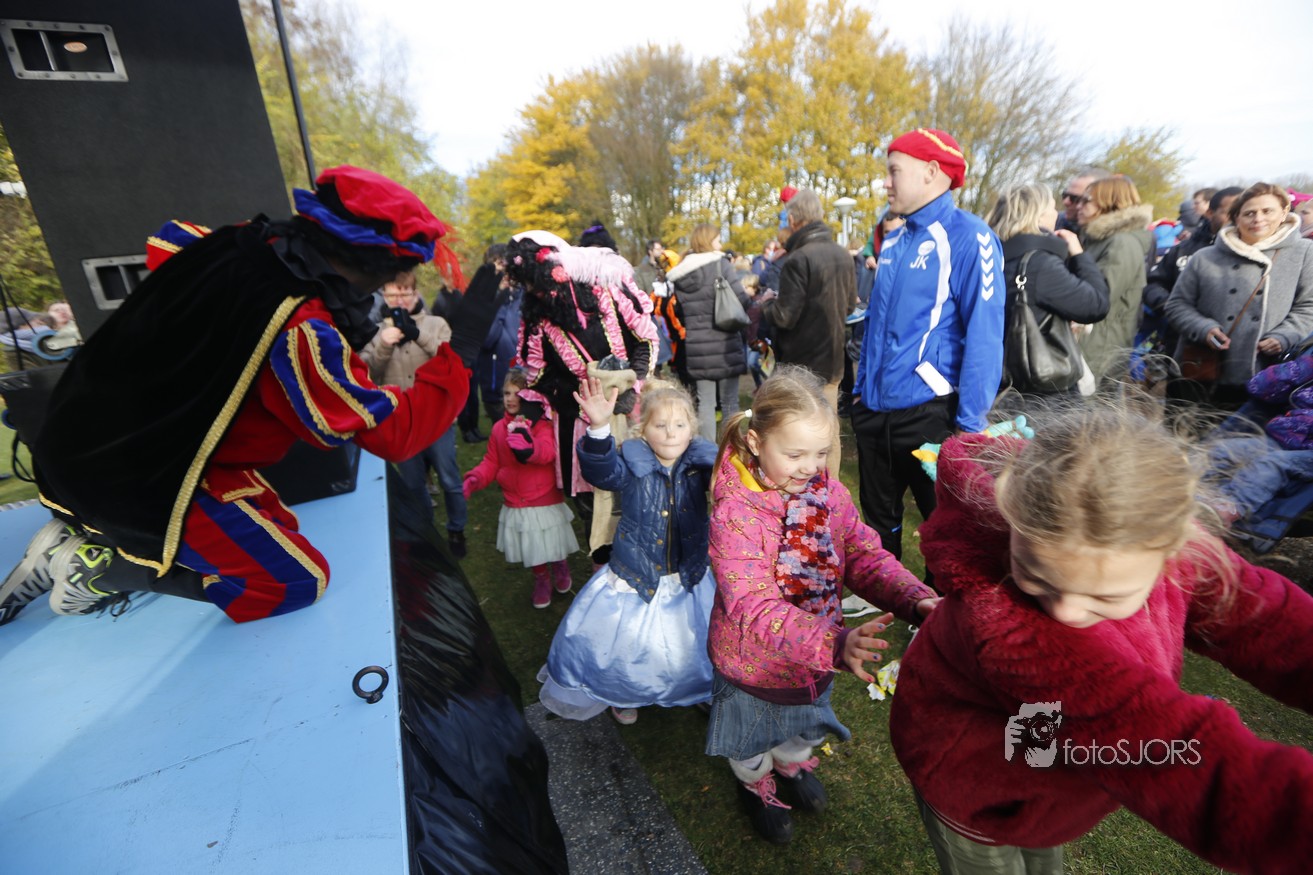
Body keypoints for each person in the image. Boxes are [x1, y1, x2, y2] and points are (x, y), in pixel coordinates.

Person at [0, 165, 469, 625]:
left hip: (82, 435)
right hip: (142, 473)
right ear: (372, 266)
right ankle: (94, 568)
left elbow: (166, 242)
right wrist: (454, 368)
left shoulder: (227, 243)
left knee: (276, 524)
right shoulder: (300, 327)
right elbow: (386, 432)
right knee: (292, 580)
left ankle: (93, 532)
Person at [890, 400, 1313, 875]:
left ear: (1173, 548)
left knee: (1037, 814)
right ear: (1012, 518)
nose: (1065, 611)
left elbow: (1273, 622)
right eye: (1035, 575)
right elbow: (1173, 757)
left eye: (1105, 596)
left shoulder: (1152, 536)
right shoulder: (1011, 628)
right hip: (975, 792)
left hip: (1039, 769)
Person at [705, 364, 939, 844]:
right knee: (751, 740)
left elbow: (862, 554)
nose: (811, 466)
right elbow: (751, 604)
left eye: (821, 452)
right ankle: (756, 781)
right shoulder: (736, 513)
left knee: (804, 731)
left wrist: (915, 600)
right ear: (756, 442)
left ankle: (791, 765)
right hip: (754, 669)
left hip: (815, 661)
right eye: (795, 454)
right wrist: (832, 644)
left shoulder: (828, 492)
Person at [851, 127, 1005, 567]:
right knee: (878, 529)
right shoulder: (894, 239)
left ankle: (941, 604)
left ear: (931, 172)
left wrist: (970, 427)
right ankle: (885, 595)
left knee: (946, 534)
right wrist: (860, 394)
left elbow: (985, 335)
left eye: (894, 171)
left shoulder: (970, 236)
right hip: (875, 413)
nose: (886, 182)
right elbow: (876, 325)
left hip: (931, 416)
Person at [538, 376, 717, 725]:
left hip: (689, 573)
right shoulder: (631, 464)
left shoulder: (704, 466)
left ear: (692, 429)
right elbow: (601, 473)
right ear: (643, 431)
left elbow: (736, 488)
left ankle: (698, 687)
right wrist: (599, 428)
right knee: (629, 646)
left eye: (679, 425)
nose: (670, 433)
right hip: (636, 573)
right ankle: (622, 693)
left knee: (691, 640)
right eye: (660, 425)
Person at [508, 229, 659, 566]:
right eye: (526, 283)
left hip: (627, 411)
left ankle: (642, 562)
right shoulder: (536, 318)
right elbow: (537, 374)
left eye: (535, 281)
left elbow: (645, 339)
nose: (531, 291)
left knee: (636, 489)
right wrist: (575, 394)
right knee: (589, 499)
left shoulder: (608, 290)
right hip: (575, 420)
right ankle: (602, 568)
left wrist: (631, 382)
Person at [1165, 182, 1313, 408]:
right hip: (1201, 369)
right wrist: (1204, 329)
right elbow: (1177, 305)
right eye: (1249, 213)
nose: (1258, 219)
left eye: (1267, 211)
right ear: (1236, 217)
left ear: (1284, 213)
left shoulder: (1304, 252)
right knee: (1187, 427)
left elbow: (1308, 306)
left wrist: (1284, 336)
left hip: (1267, 373)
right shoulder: (1205, 257)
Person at [358, 270, 468, 557]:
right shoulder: (375, 332)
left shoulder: (435, 323)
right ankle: (426, 533)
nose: (400, 300)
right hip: (400, 422)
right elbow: (366, 374)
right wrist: (384, 345)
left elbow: (450, 361)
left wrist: (418, 335)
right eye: (393, 294)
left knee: (449, 478)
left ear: (416, 293)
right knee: (412, 483)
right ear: (384, 296)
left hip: (438, 418)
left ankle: (457, 529)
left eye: (405, 293)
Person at [463, 369, 578, 608]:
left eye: (517, 394)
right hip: (516, 500)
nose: (510, 399)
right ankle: (542, 578)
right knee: (531, 545)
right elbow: (491, 461)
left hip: (544, 498)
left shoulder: (543, 425)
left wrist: (530, 447)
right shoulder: (498, 429)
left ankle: (560, 565)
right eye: (507, 393)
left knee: (551, 540)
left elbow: (547, 452)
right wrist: (475, 478)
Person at [760, 188, 857, 467]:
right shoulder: (842, 254)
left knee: (796, 436)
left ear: (793, 219)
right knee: (828, 432)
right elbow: (850, 306)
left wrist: (766, 305)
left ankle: (804, 489)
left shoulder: (798, 259)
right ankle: (830, 488)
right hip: (833, 360)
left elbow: (784, 316)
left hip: (801, 364)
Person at [986, 182, 1109, 396]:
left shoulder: (989, 254)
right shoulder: (1040, 263)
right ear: (1039, 214)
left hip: (995, 379)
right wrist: (1079, 254)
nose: (1056, 213)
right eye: (1052, 207)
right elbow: (1096, 305)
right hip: (1040, 389)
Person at [1139, 186, 1243, 383]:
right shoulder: (1184, 250)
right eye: (1230, 212)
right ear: (1210, 213)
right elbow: (1153, 284)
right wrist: (1171, 307)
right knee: (1180, 400)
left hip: (1238, 358)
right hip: (1183, 349)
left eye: (1242, 212)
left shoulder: (1257, 257)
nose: (1236, 219)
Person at [665, 223, 752, 442]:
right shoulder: (721, 264)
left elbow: (681, 311)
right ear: (708, 241)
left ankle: (707, 452)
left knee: (705, 403)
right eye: (717, 239)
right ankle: (730, 449)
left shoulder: (682, 272)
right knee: (730, 401)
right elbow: (741, 299)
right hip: (725, 342)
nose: (720, 244)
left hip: (697, 346)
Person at [1073, 175, 1154, 380]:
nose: (1078, 206)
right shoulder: (1098, 238)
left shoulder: (1121, 243)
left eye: (1086, 201)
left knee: (1088, 400)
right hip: (1091, 343)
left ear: (1110, 203)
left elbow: (1097, 298)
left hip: (1100, 349)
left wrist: (1076, 255)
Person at [1054, 167, 1112, 233]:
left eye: (1075, 198)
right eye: (1065, 195)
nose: (1065, 202)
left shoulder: (1112, 234)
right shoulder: (1056, 222)